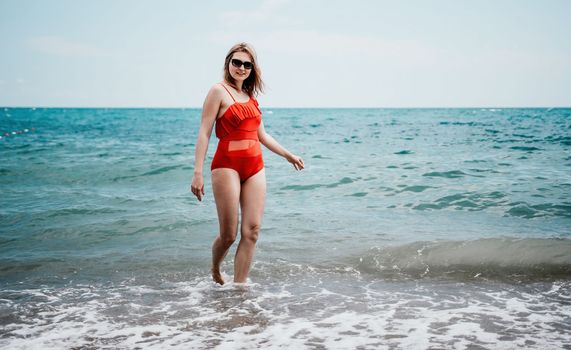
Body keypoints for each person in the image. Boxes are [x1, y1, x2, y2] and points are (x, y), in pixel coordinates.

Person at [190, 42, 304, 285]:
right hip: (226, 166)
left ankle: (240, 289)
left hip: (255, 168)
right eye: (237, 62)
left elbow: (262, 136)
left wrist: (288, 155)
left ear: (252, 69)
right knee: (229, 234)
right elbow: (204, 133)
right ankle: (215, 268)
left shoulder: (251, 98)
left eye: (247, 64)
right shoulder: (218, 91)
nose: (241, 67)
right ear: (228, 63)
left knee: (252, 231)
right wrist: (197, 172)